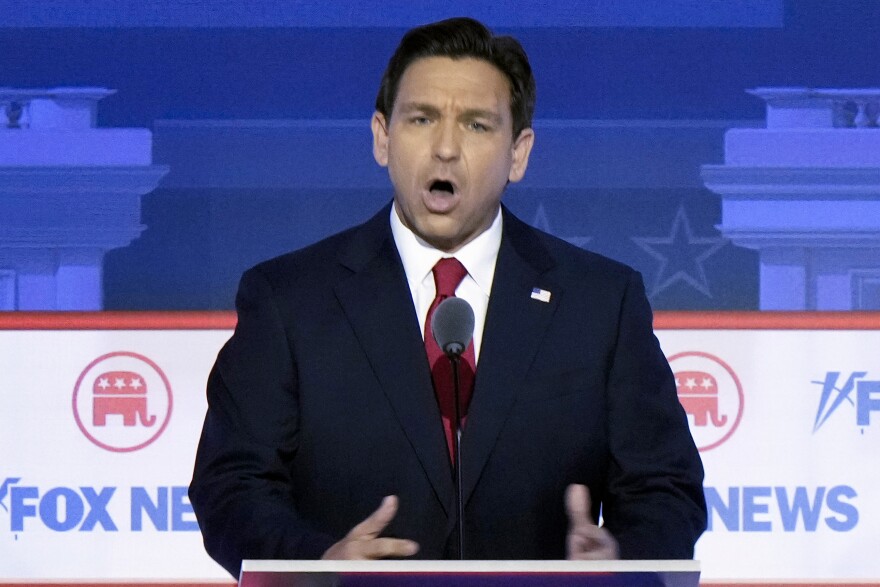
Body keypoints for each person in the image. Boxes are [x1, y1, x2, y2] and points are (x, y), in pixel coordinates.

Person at [189, 17, 706, 578]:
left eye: (477, 125)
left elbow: (666, 489)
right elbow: (230, 486)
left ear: (519, 153)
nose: (444, 149)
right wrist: (318, 560)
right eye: (421, 119)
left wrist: (621, 559)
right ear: (382, 138)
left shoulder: (600, 303)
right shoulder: (289, 299)